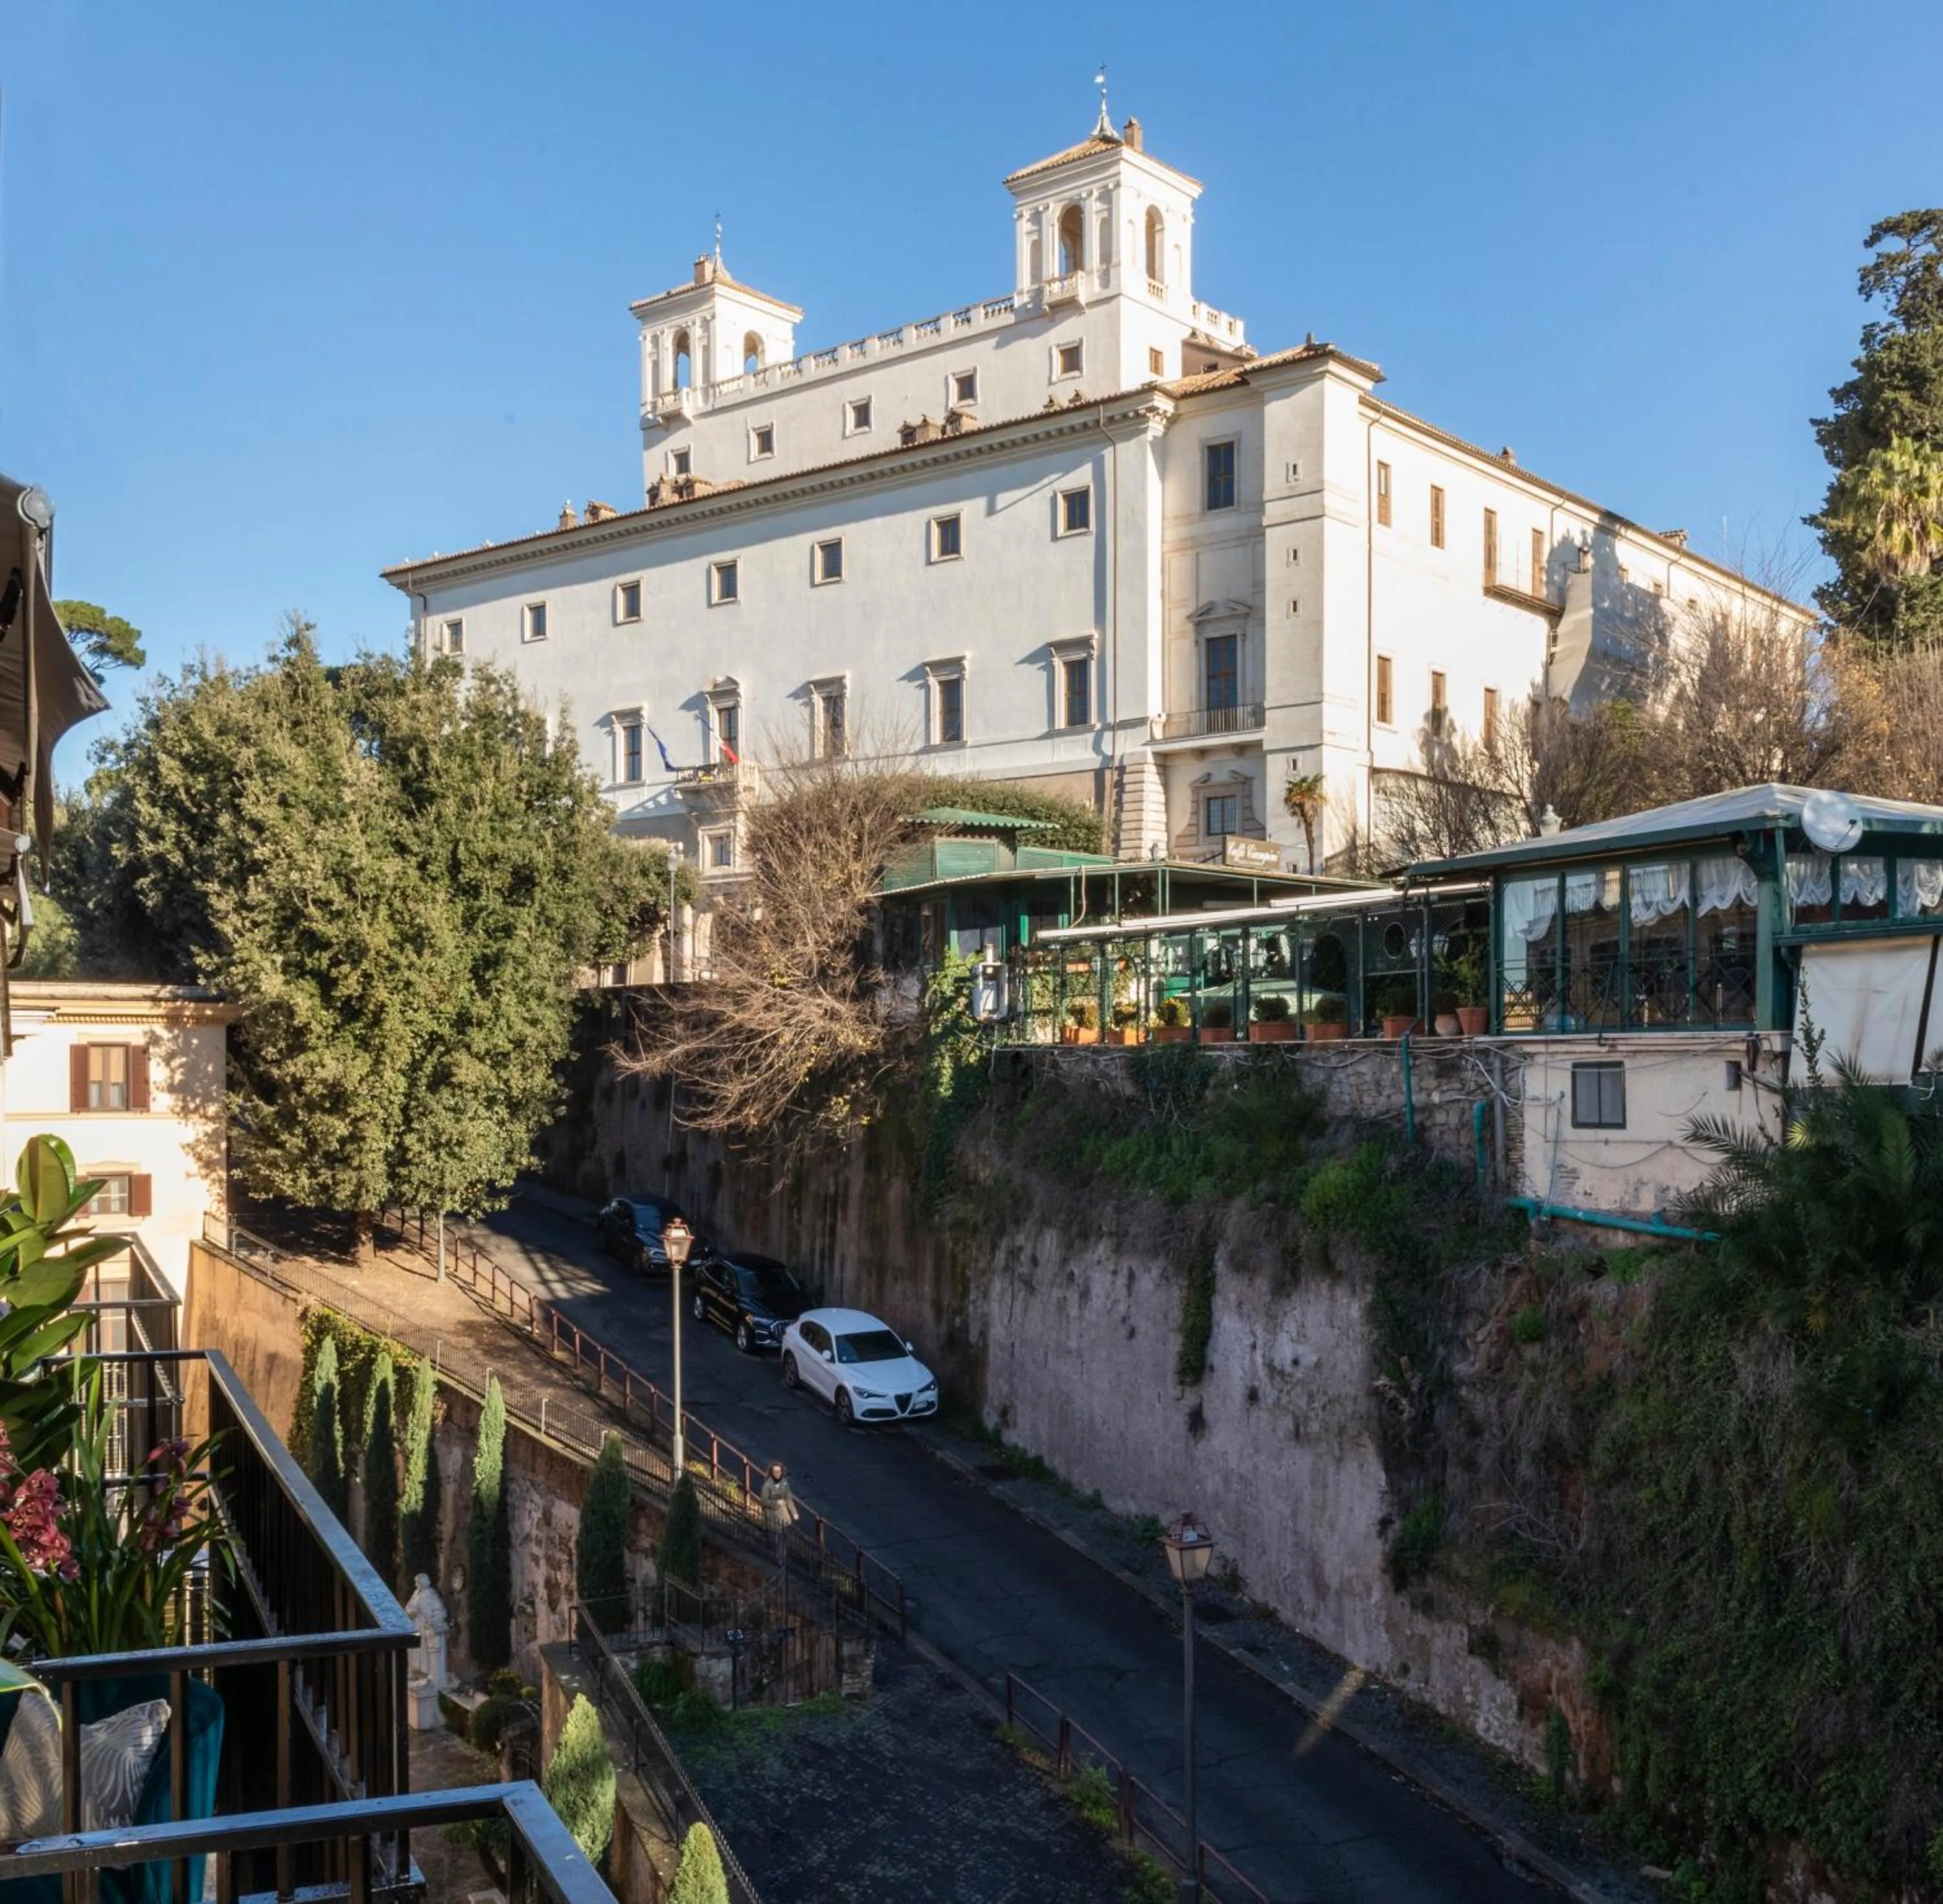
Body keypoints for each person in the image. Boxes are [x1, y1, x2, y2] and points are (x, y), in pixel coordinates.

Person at [759, 1460, 799, 1568]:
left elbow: (789, 1498)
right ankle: (777, 1559)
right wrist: (776, 1502)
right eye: (775, 1472)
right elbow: (764, 1501)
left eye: (779, 1472)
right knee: (775, 1537)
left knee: (784, 1537)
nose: (777, 1474)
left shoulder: (784, 1483)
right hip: (773, 1515)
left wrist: (794, 1512)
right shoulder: (767, 1485)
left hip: (783, 1514)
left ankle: (782, 1559)